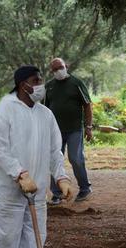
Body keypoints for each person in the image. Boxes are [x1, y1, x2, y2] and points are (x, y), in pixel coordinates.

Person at [0, 65, 75, 248]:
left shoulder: (46, 115)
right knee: (6, 237)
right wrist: (19, 174)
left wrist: (61, 177)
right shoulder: (3, 111)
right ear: (23, 84)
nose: (41, 84)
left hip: (38, 190)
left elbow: (55, 151)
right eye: (37, 80)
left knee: (35, 238)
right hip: (9, 190)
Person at [45, 57, 93, 204]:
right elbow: (45, 109)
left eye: (60, 67)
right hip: (55, 131)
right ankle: (57, 193)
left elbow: (87, 105)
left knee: (75, 158)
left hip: (74, 129)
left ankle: (85, 188)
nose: (58, 71)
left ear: (66, 66)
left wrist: (88, 127)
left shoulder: (76, 83)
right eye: (54, 69)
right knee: (54, 161)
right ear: (51, 71)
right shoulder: (49, 86)